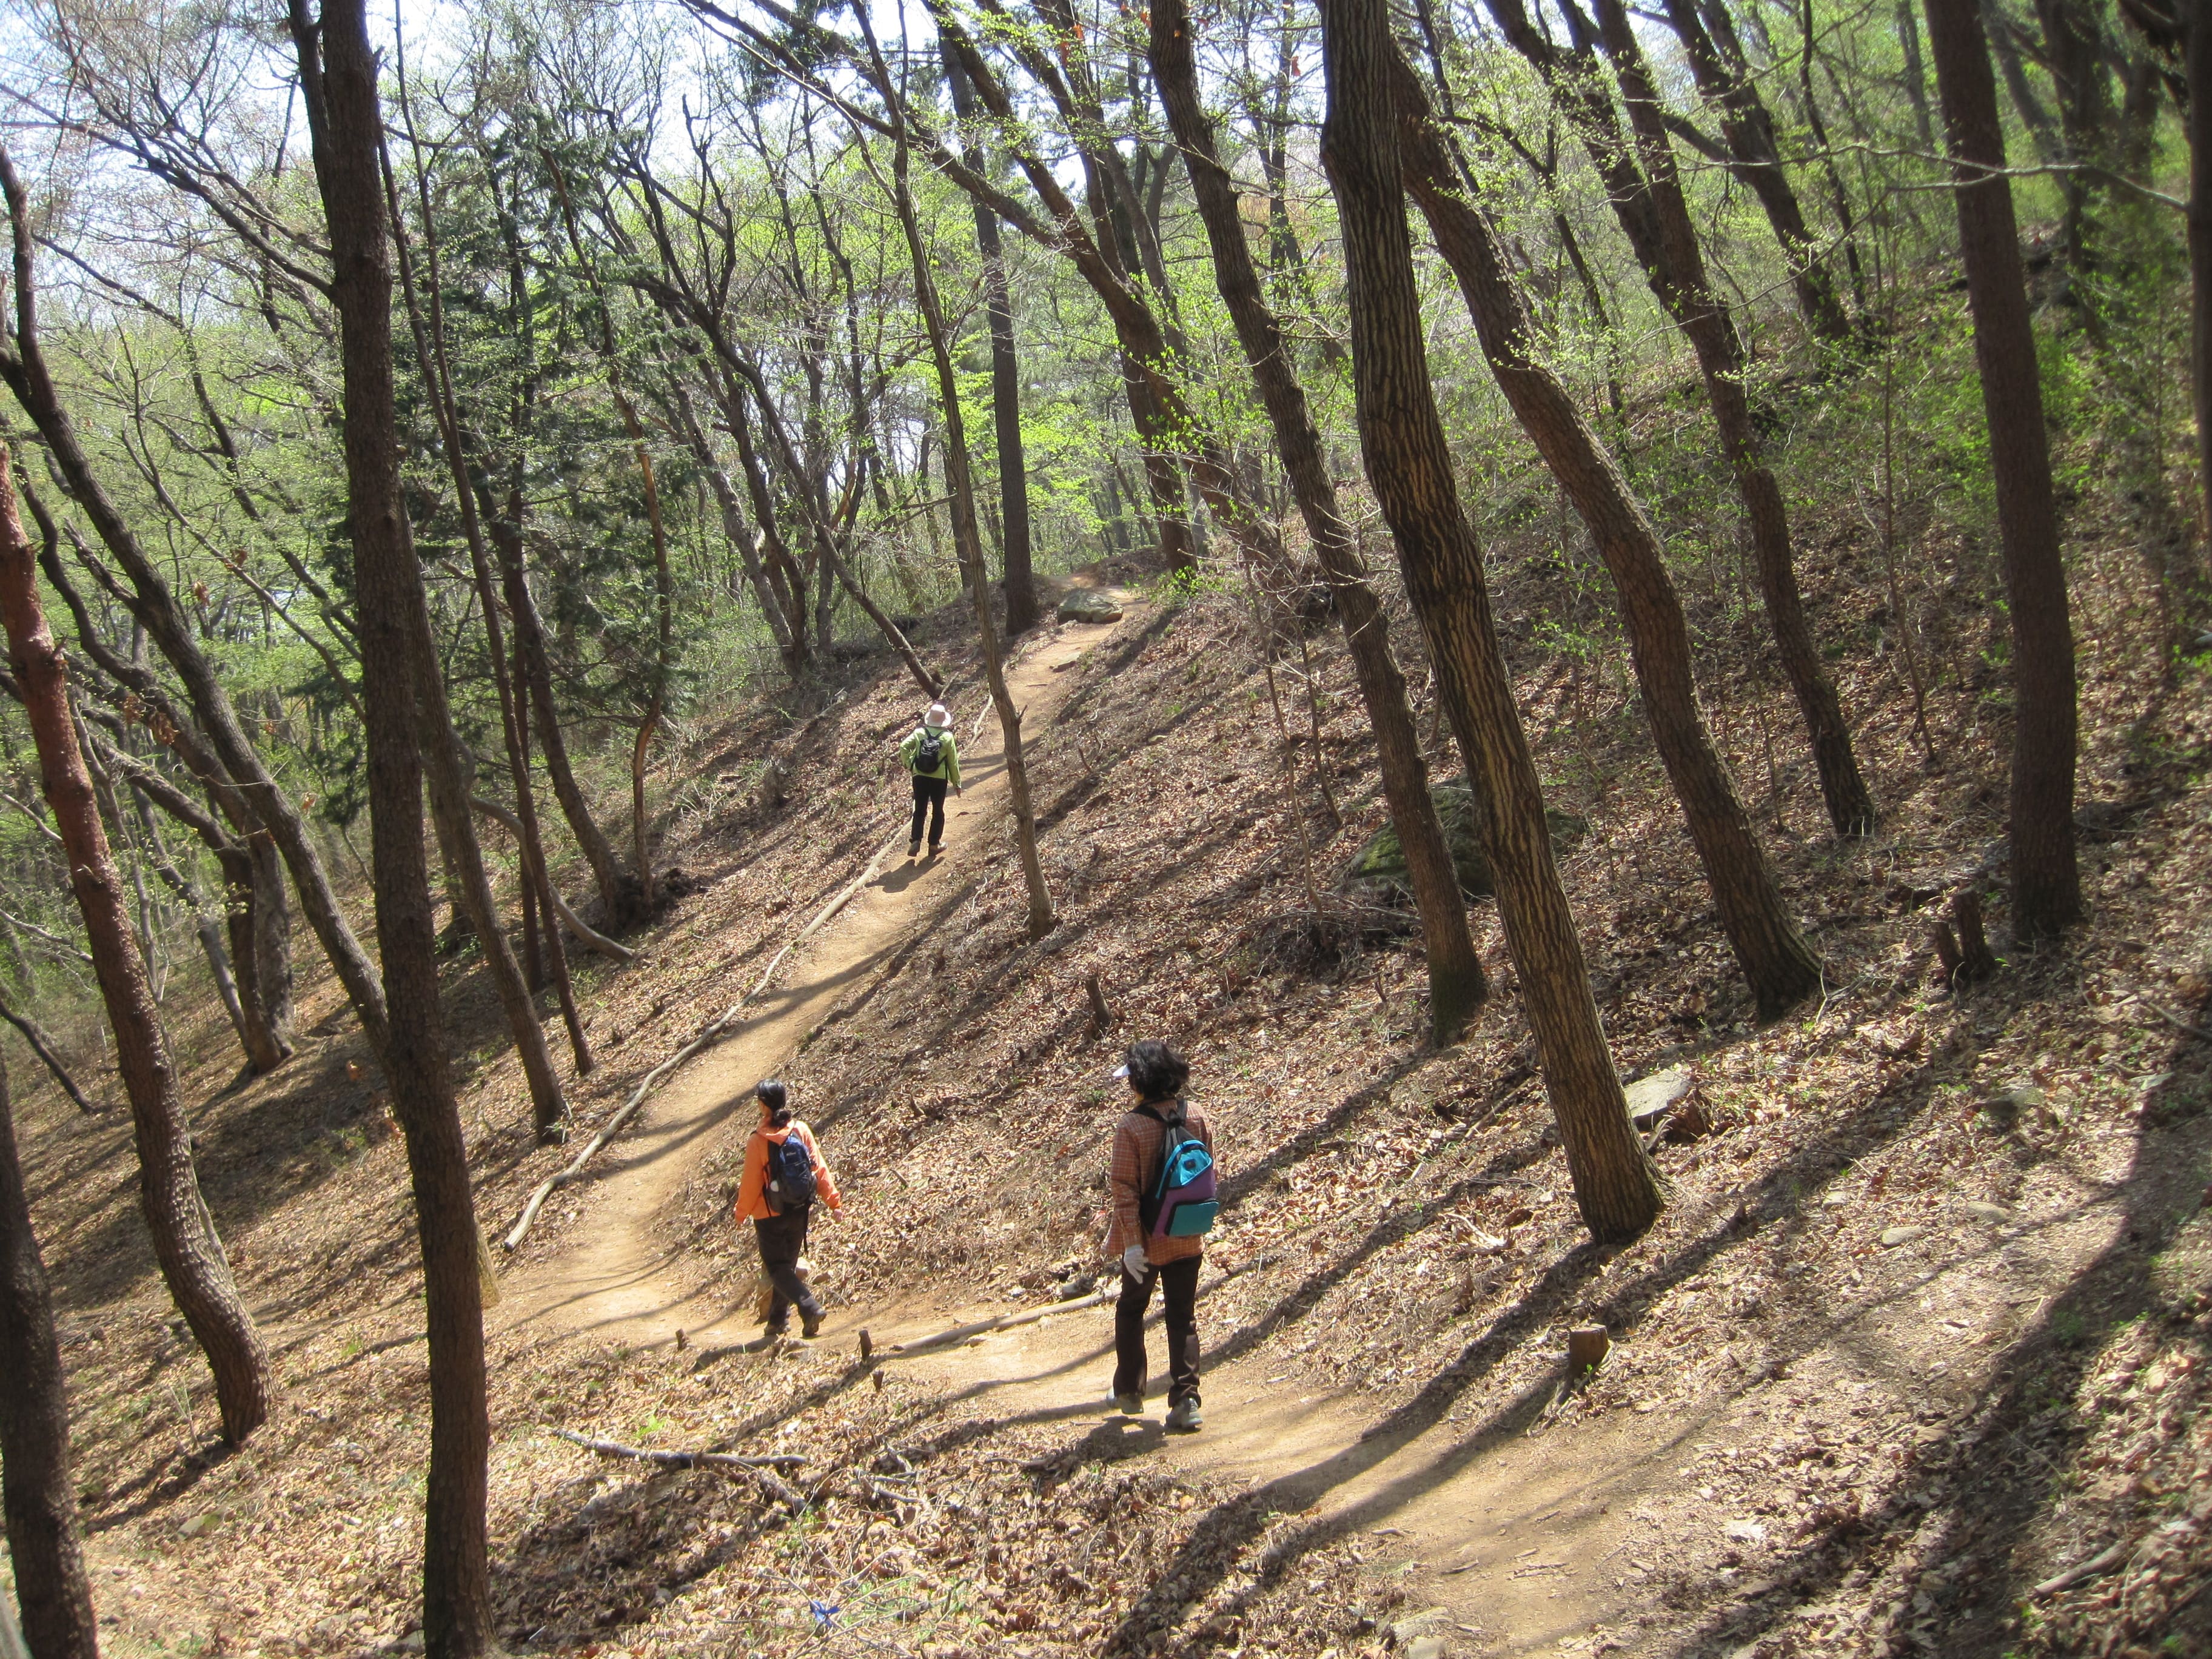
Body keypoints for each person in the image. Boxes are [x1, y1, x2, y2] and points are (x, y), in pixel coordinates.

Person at [1105, 1039, 1212, 1432]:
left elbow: (1125, 1190)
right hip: (1187, 1233)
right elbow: (1209, 1174)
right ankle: (1186, 1400)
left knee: (1131, 1310)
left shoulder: (1131, 1126)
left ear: (1140, 1081)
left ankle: (1130, 1391)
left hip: (1147, 1241)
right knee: (1183, 1317)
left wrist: (1132, 1244)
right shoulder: (1197, 1114)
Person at [733, 1079, 842, 1341]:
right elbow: (819, 1168)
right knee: (787, 1267)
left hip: (769, 1214)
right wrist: (833, 1201)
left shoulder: (758, 1140)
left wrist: (741, 1212)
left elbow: (751, 1182)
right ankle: (778, 1320)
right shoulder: (801, 1130)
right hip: (799, 1208)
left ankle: (810, 1308)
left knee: (776, 1268)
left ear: (763, 1105)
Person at [896, 700, 961, 859]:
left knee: (920, 810)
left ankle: (916, 840)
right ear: (943, 720)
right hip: (939, 779)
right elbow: (953, 762)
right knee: (938, 811)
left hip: (919, 777)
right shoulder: (948, 737)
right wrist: (957, 783)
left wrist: (910, 765)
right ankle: (934, 844)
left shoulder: (919, 733)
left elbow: (903, 747)